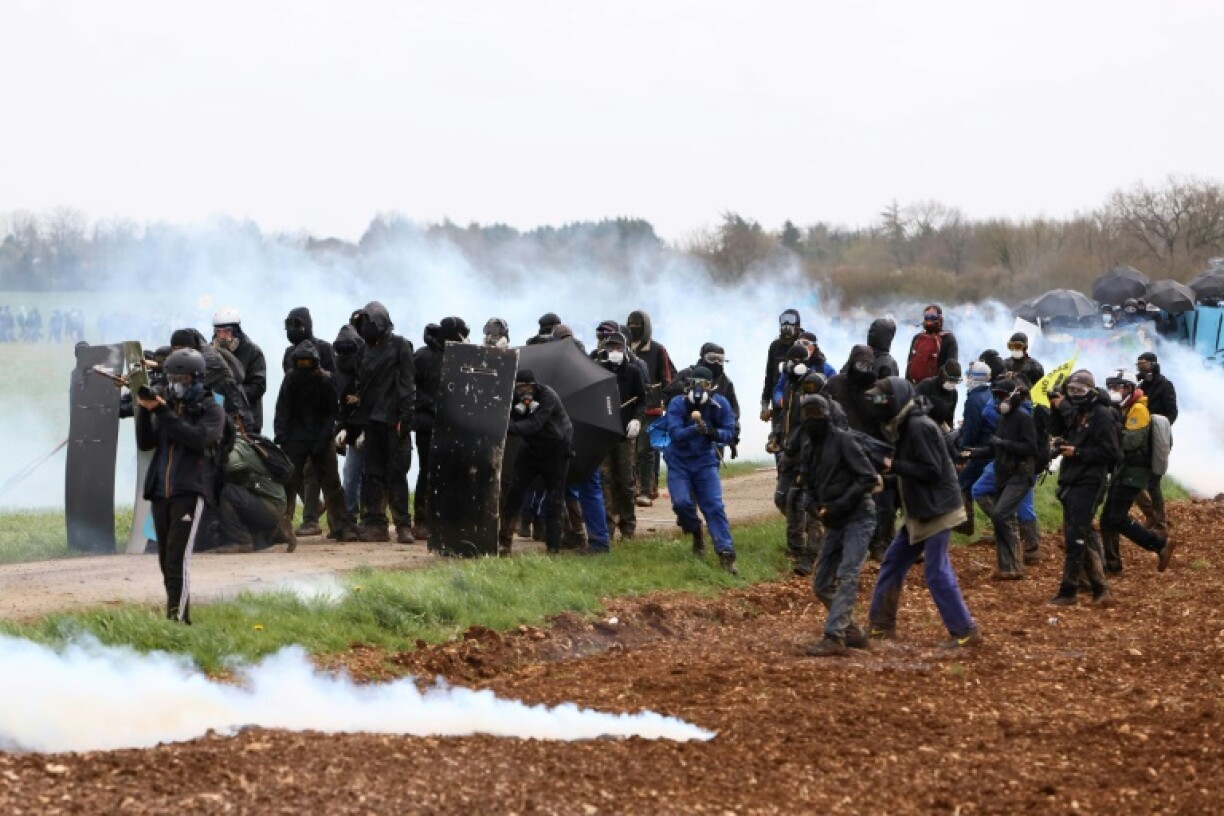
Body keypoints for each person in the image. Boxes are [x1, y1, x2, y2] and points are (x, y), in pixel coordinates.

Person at [865, 377, 981, 648]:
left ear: (895, 401)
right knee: (893, 563)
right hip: (921, 508)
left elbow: (930, 471)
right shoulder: (905, 425)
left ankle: (964, 632)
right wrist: (885, 482)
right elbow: (913, 471)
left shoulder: (919, 426)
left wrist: (891, 464)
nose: (877, 404)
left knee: (936, 571)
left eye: (882, 399)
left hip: (937, 510)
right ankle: (880, 627)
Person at [134, 348, 226, 624]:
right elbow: (146, 443)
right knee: (165, 560)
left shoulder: (211, 408)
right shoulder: (166, 407)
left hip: (189, 489)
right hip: (161, 491)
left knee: (177, 559)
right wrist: (143, 410)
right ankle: (177, 615)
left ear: (197, 378)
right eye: (173, 377)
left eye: (184, 378)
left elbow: (197, 439)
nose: (177, 384)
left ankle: (177, 621)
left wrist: (163, 411)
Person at [798, 394, 879, 656]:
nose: (812, 420)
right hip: (834, 519)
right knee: (821, 583)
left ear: (827, 414)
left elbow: (868, 478)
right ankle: (851, 631)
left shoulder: (845, 441)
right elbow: (807, 485)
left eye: (816, 414)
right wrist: (816, 508)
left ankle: (834, 636)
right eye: (806, 414)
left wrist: (839, 505)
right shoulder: (809, 447)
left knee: (847, 575)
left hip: (858, 516)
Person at [1047, 370, 1121, 607]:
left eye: (1080, 391)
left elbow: (1111, 452)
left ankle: (1069, 590)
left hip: (1090, 480)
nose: (1075, 395)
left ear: (1092, 391)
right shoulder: (1076, 411)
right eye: (1071, 391)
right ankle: (1100, 589)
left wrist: (1077, 452)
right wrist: (1056, 406)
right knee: (1082, 534)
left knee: (1076, 537)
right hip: (1072, 478)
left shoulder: (1101, 414)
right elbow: (1057, 429)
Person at [274, 340, 357, 542]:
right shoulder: (290, 380)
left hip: (320, 436)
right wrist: (282, 438)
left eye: (307, 363)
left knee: (332, 484)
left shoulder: (326, 381)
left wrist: (324, 437)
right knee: (288, 483)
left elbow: (332, 413)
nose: (304, 366)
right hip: (296, 438)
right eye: (300, 363)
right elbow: (283, 410)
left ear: (316, 363)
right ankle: (280, 529)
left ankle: (341, 527)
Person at [350, 302, 416, 543]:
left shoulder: (400, 346)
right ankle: (375, 523)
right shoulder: (363, 350)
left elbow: (407, 384)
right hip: (371, 420)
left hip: (393, 420)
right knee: (372, 473)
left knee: (396, 473)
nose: (364, 328)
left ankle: (402, 525)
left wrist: (405, 418)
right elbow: (359, 384)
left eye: (368, 323)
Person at [664, 366, 739, 574]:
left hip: (705, 461)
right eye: (694, 384)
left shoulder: (720, 404)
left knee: (713, 506)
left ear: (711, 386)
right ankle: (695, 530)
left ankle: (726, 554)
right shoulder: (677, 403)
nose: (698, 390)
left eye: (704, 385)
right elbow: (675, 433)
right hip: (679, 461)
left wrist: (712, 432)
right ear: (687, 385)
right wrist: (696, 429)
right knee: (681, 503)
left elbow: (729, 432)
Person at [1099, 369, 1174, 573]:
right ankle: (1112, 563)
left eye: (1117, 386)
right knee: (1107, 519)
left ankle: (1159, 544)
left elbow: (1132, 441)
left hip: (1134, 471)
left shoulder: (1138, 410)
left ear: (1129, 388)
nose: (1113, 390)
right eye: (1110, 386)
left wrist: (1110, 432)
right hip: (1123, 469)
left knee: (1117, 518)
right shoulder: (1124, 409)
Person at [966, 379, 1038, 580]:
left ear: (1014, 396)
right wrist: (971, 454)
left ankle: (1014, 566)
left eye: (1003, 396)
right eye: (996, 396)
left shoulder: (1024, 419)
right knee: (1002, 519)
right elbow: (994, 449)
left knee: (1001, 514)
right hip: (1003, 474)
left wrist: (1004, 444)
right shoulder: (1003, 420)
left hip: (1021, 475)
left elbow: (1031, 448)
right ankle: (1007, 568)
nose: (999, 401)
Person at [498, 370, 573, 555]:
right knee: (515, 492)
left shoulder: (548, 396)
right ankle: (504, 542)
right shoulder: (514, 398)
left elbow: (534, 424)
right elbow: (508, 415)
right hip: (530, 449)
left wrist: (505, 427)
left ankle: (553, 547)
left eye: (527, 388)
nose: (524, 392)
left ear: (535, 386)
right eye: (519, 388)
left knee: (555, 499)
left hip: (556, 449)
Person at [280, 307, 336, 537]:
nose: (293, 330)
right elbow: (288, 388)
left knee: (318, 474)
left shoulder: (324, 348)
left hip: (320, 421)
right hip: (297, 425)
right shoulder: (288, 352)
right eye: (289, 325)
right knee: (293, 474)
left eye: (297, 325)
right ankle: (289, 522)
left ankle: (315, 520)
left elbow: (334, 380)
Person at [595, 331, 647, 539]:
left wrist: (637, 419)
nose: (615, 352)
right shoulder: (599, 371)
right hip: (605, 433)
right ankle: (608, 524)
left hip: (626, 432)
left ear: (625, 349)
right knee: (604, 479)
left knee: (626, 479)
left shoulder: (633, 372)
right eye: (611, 348)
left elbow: (642, 399)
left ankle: (628, 524)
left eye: (618, 348)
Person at [626, 310, 676, 507]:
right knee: (631, 451)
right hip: (629, 407)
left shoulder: (657, 350)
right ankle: (638, 487)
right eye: (631, 323)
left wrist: (665, 400)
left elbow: (667, 377)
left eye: (638, 324)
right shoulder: (624, 348)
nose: (634, 327)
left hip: (651, 407)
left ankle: (646, 490)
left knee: (645, 450)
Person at [215, 432, 289, 553]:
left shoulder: (240, 446)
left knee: (229, 492)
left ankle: (241, 541)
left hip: (269, 504)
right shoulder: (245, 442)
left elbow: (227, 464)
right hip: (267, 501)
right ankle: (276, 533)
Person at [1135, 351, 1177, 534]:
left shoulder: (1165, 385)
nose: (1141, 368)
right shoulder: (1141, 386)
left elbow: (1172, 412)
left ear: (1153, 364)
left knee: (1153, 481)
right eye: (1139, 365)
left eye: (1144, 364)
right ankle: (1150, 514)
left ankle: (1160, 521)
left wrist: (1159, 426)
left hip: (1159, 438)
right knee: (1133, 478)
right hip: (1141, 438)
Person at [212, 307, 267, 434]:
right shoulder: (211, 352)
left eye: (226, 331)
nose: (221, 336)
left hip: (247, 420)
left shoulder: (252, 352)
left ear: (236, 331)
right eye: (218, 332)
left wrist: (230, 393)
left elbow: (258, 386)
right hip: (219, 418)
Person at [954, 361, 994, 536]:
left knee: (963, 483)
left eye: (969, 375)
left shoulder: (973, 400)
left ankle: (965, 524)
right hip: (990, 449)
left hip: (978, 450)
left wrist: (962, 455)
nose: (967, 378)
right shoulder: (989, 394)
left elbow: (971, 430)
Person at [333, 324, 365, 521]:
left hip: (371, 426)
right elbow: (341, 403)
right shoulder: (339, 370)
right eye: (341, 348)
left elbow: (374, 400)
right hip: (351, 427)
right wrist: (342, 427)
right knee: (351, 472)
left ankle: (371, 518)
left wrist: (366, 430)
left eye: (349, 348)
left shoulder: (367, 366)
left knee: (371, 474)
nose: (345, 353)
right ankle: (349, 515)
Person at [760, 309, 802, 424]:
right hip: (779, 402)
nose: (787, 324)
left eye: (791, 320)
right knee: (778, 438)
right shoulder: (775, 346)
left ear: (798, 324)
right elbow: (769, 376)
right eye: (784, 320)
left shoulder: (804, 343)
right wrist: (764, 404)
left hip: (801, 402)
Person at [905, 304, 958, 383]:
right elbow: (910, 364)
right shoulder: (917, 337)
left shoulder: (948, 339)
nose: (929, 318)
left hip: (935, 389)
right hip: (919, 387)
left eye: (932, 316)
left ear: (939, 318)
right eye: (927, 315)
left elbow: (951, 368)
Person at [914, 360, 962, 428]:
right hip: (921, 428)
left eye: (956, 382)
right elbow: (913, 410)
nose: (954, 385)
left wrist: (950, 430)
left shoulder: (954, 394)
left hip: (938, 432)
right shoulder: (926, 385)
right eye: (951, 381)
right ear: (944, 377)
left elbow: (949, 418)